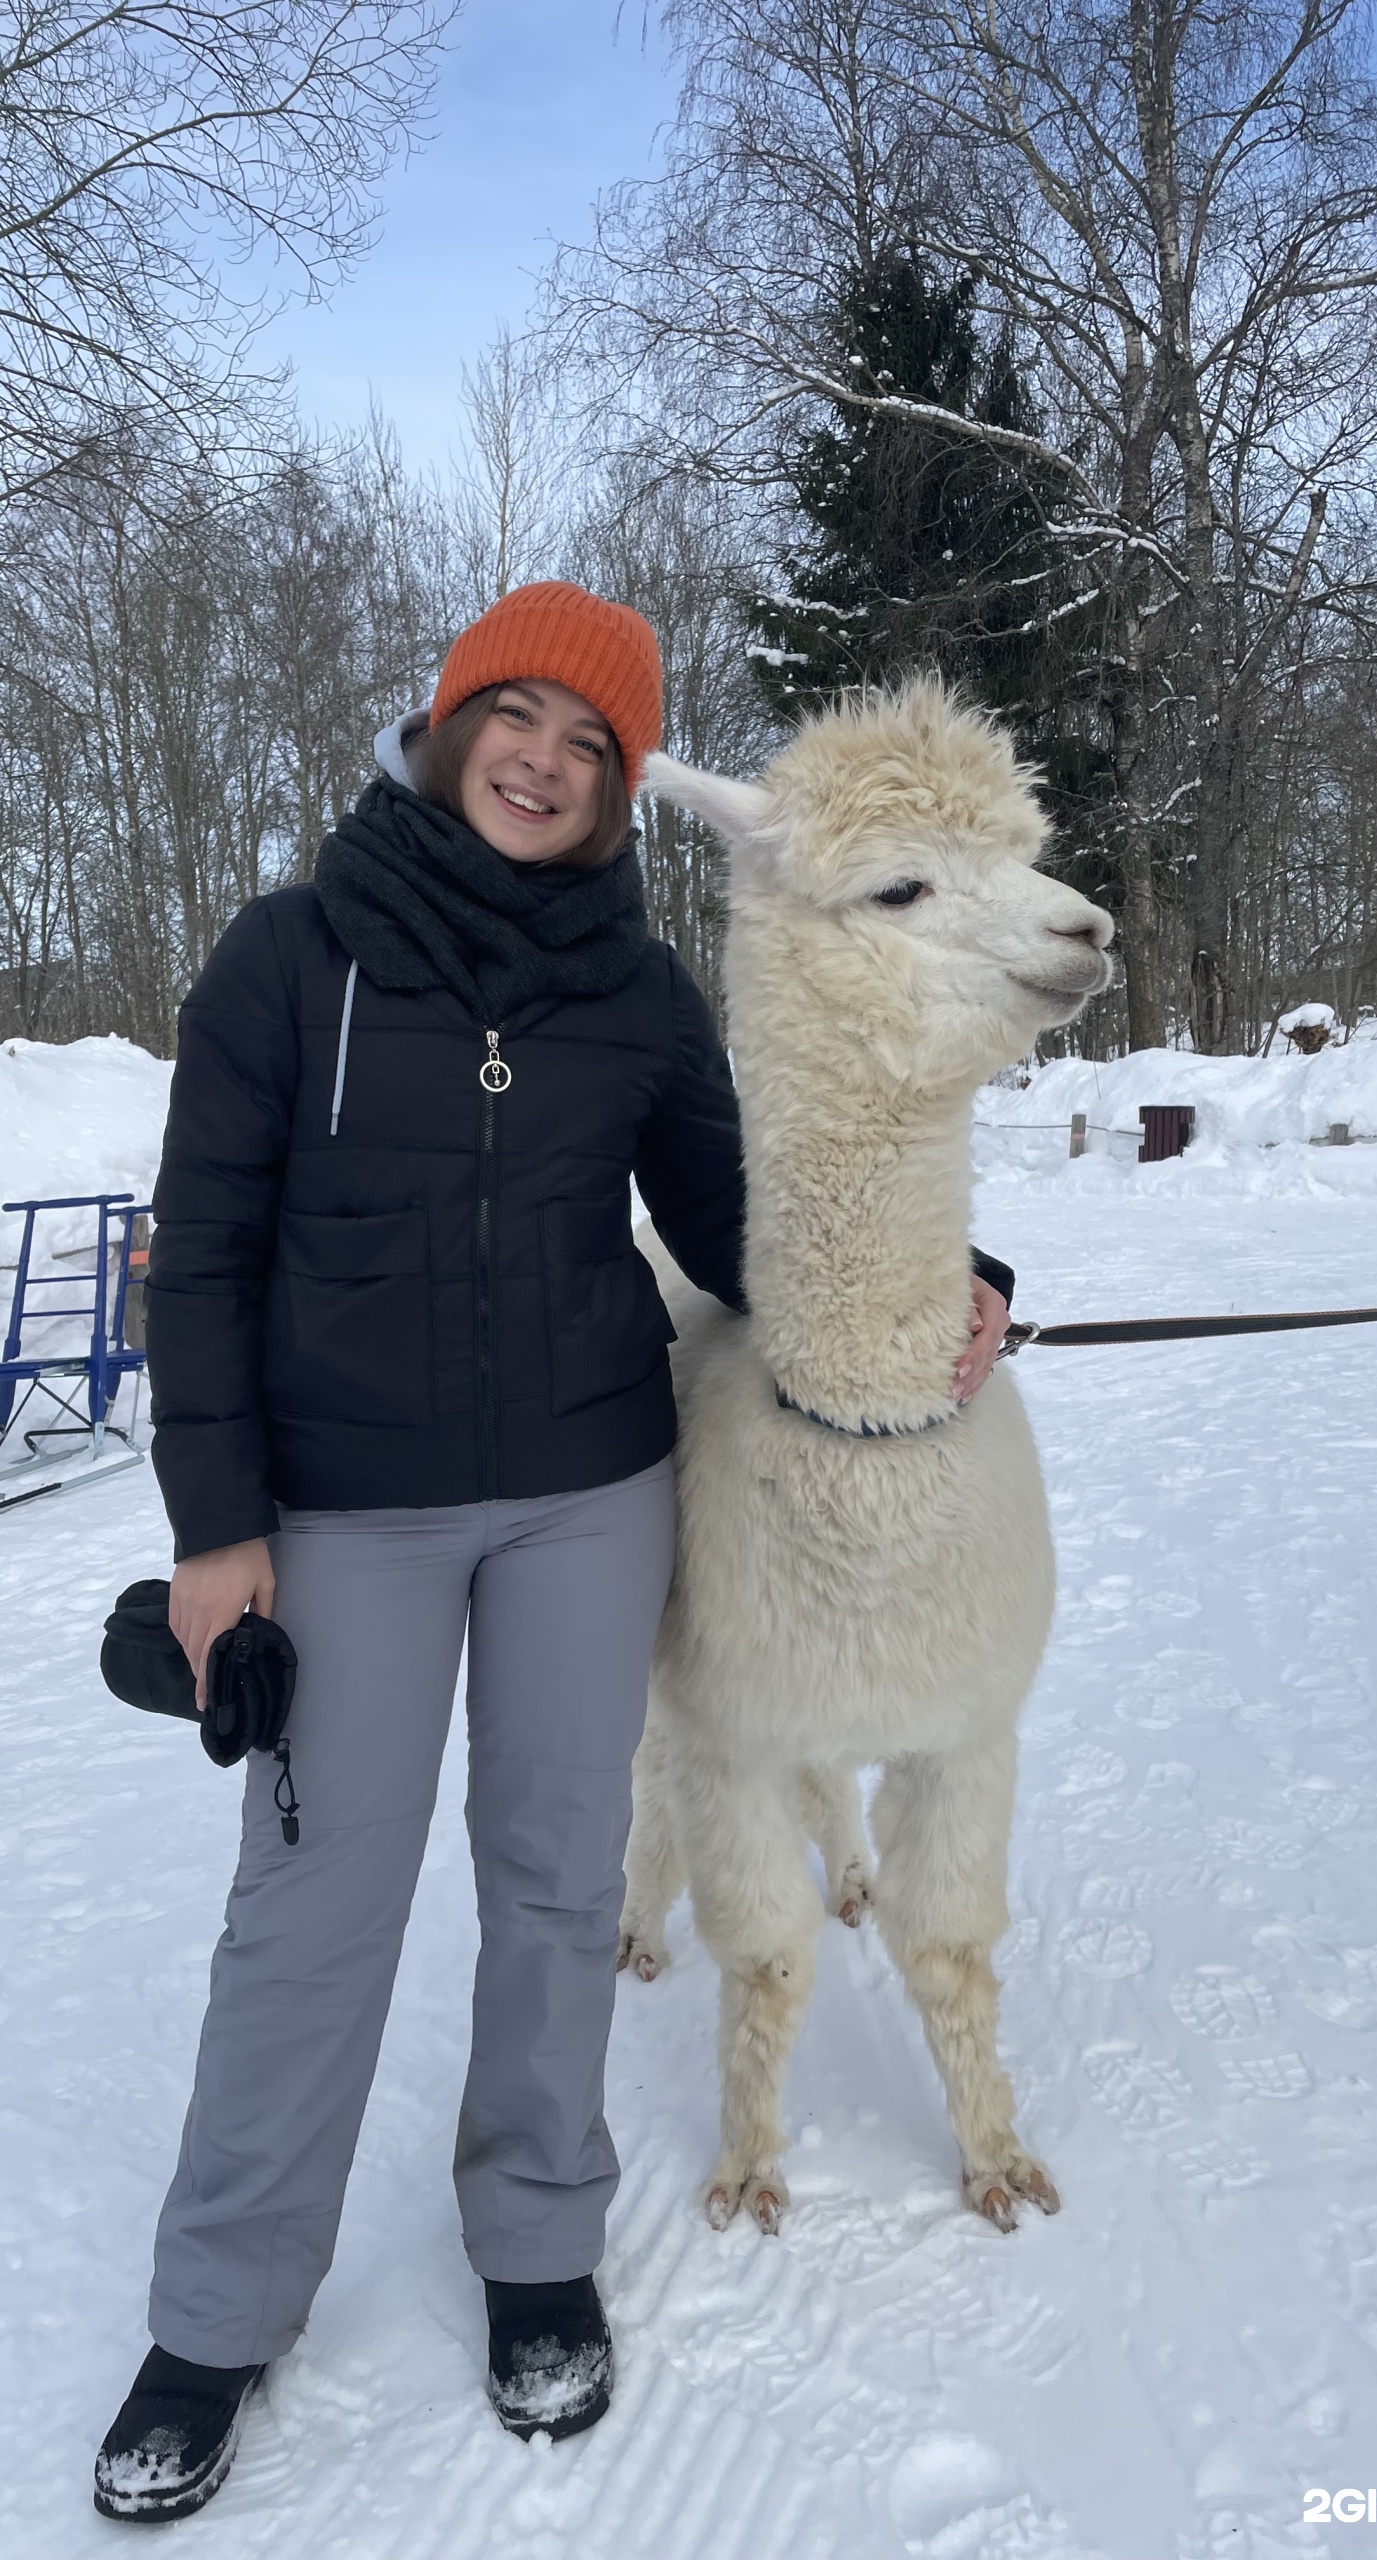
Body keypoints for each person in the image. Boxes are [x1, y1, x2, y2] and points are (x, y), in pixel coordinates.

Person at [93, 581, 1016, 2522]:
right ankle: (221, 2305)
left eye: (594, 740)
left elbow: (750, 1221)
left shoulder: (638, 986)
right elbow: (207, 1266)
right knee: (311, 1905)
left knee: (555, 1873)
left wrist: (943, 1279)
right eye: (517, 715)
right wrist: (214, 1536)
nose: (549, 757)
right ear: (447, 729)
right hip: (344, 1511)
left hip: (593, 1496)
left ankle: (536, 2245)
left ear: (615, 788)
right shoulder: (289, 959)